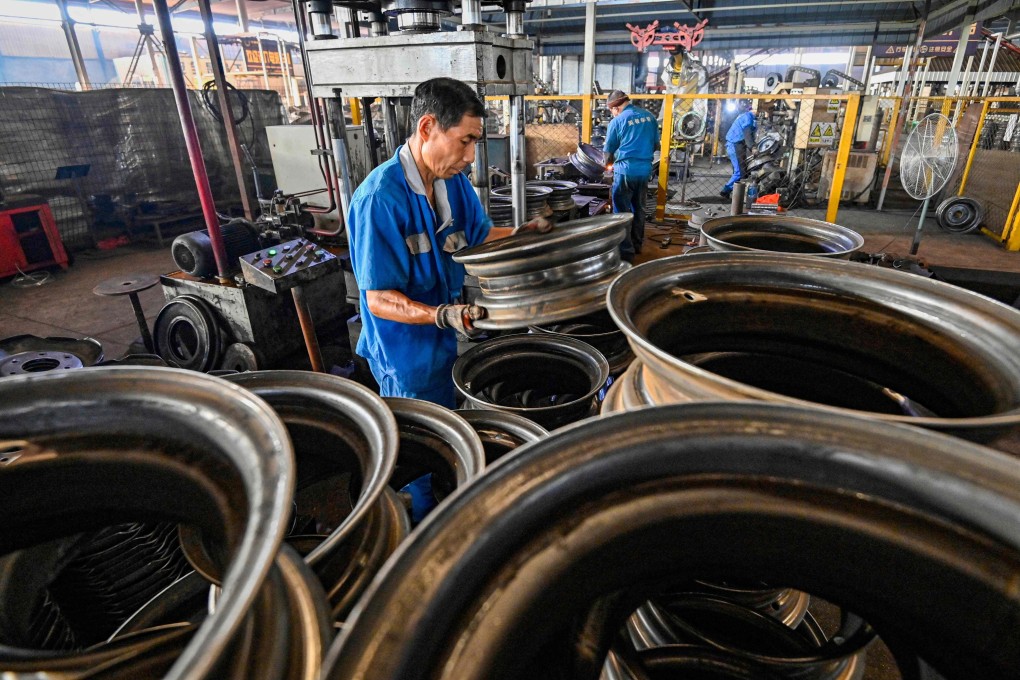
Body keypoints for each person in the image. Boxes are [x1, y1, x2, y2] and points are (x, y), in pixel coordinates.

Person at [346, 77, 549, 408]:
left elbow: (479, 236)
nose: (470, 156)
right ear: (427, 127)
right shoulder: (380, 199)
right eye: (464, 141)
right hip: (403, 355)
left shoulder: (454, 183)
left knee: (446, 412)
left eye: (475, 143)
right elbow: (379, 299)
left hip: (440, 340)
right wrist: (443, 315)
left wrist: (520, 235)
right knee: (423, 432)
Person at [603, 89, 658, 262]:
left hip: (625, 172)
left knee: (621, 211)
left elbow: (607, 154)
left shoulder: (617, 121)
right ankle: (637, 244)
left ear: (615, 108)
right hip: (644, 171)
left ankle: (626, 252)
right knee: (639, 208)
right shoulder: (649, 117)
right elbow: (656, 145)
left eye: (611, 111)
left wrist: (606, 166)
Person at [721, 100, 756, 199]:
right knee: (740, 172)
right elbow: (747, 133)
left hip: (735, 144)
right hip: (735, 144)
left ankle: (734, 191)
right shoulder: (748, 117)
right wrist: (753, 147)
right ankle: (726, 190)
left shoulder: (745, 116)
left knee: (740, 170)